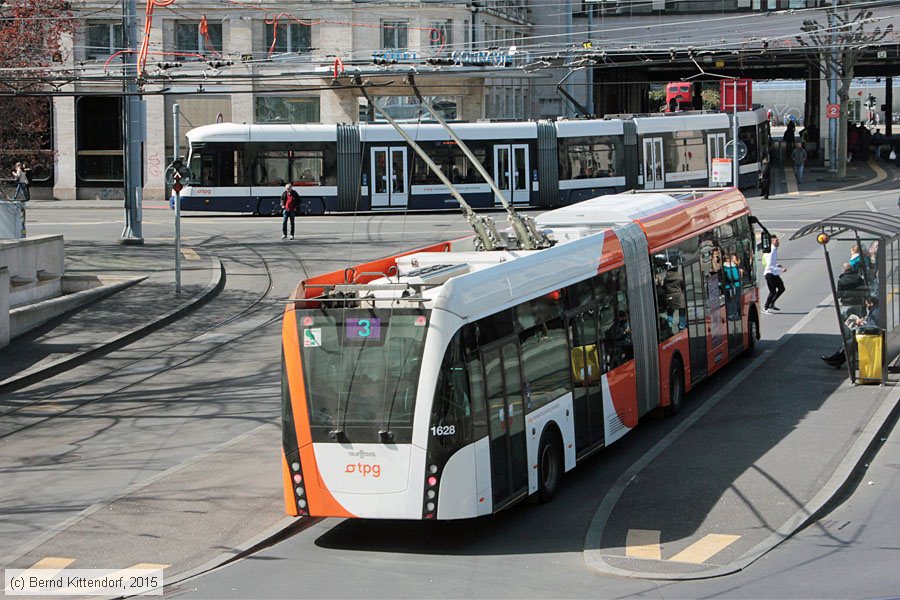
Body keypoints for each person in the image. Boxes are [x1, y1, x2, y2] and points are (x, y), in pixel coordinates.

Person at [821, 297, 880, 368]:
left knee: (850, 343)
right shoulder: (874, 310)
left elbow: (872, 326)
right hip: (870, 335)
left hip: (871, 337)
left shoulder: (875, 312)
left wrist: (862, 324)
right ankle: (836, 359)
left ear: (871, 303)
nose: (866, 305)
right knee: (850, 342)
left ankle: (837, 359)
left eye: (867, 304)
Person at [763, 235, 787, 314]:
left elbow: (771, 262)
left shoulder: (774, 249)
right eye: (776, 240)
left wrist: (777, 265)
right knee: (772, 291)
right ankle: (766, 308)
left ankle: (771, 303)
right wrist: (780, 269)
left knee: (781, 288)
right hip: (769, 273)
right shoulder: (772, 250)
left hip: (774, 273)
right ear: (772, 241)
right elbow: (769, 265)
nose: (778, 242)